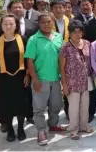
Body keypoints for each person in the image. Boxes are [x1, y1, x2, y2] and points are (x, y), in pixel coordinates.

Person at [0, 0, 39, 129]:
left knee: (23, 100)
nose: (8, 26)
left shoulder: (30, 28)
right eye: (15, 7)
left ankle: (25, 120)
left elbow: (29, 55)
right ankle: (5, 123)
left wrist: (28, 74)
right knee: (4, 101)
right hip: (3, 74)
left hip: (21, 74)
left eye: (20, 7)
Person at [25, 14, 66, 146]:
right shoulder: (34, 39)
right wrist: (35, 79)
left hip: (56, 79)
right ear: (39, 24)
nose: (46, 24)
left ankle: (53, 124)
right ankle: (41, 131)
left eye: (49, 22)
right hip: (41, 79)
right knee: (39, 108)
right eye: (43, 22)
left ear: (53, 22)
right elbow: (30, 61)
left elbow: (63, 58)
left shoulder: (58, 37)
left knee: (56, 105)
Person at [0, 14, 28, 142]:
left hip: (21, 78)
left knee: (21, 105)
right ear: (1, 26)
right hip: (3, 79)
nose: (8, 26)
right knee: (6, 106)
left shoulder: (23, 39)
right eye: (5, 24)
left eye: (11, 24)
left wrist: (27, 75)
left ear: (16, 25)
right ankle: (10, 130)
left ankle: (21, 128)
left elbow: (28, 60)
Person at [59, 20, 94, 140]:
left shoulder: (87, 44)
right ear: (70, 33)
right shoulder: (65, 47)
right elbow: (62, 68)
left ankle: (83, 126)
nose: (77, 35)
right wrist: (64, 84)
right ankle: (73, 129)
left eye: (80, 32)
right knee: (73, 107)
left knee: (85, 105)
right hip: (72, 82)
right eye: (74, 32)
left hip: (86, 80)